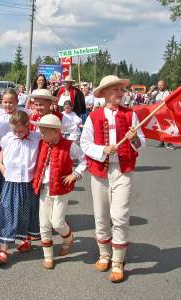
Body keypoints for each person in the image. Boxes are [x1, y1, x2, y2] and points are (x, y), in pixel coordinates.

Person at [81, 75, 146, 283]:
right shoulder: (94, 116)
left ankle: (118, 262)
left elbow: (141, 143)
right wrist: (102, 150)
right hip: (100, 171)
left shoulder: (131, 115)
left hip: (123, 170)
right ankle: (104, 254)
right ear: (105, 93)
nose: (120, 93)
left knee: (119, 216)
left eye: (121, 89)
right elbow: (85, 143)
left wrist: (135, 138)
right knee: (100, 215)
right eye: (115, 90)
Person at [33, 114, 86, 269]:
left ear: (56, 131)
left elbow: (85, 160)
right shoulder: (42, 143)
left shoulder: (69, 145)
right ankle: (48, 256)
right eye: (41, 132)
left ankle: (68, 238)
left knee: (57, 222)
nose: (41, 135)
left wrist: (74, 174)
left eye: (44, 132)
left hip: (61, 189)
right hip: (44, 188)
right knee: (44, 223)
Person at [0, 111, 41, 265]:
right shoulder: (7, 139)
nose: (18, 134)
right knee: (7, 213)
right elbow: (1, 160)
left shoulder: (36, 137)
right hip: (11, 183)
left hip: (28, 183)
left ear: (28, 126)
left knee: (25, 213)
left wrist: (36, 124)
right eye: (15, 131)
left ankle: (23, 241)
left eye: (21, 130)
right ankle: (3, 250)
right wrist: (3, 169)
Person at [154, 80, 173, 149]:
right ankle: (162, 141)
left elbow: (168, 102)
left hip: (166, 113)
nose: (160, 86)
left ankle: (169, 142)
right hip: (159, 113)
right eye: (159, 85)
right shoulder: (157, 93)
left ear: (164, 85)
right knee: (160, 128)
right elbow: (154, 100)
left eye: (161, 85)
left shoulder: (167, 93)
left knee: (168, 128)